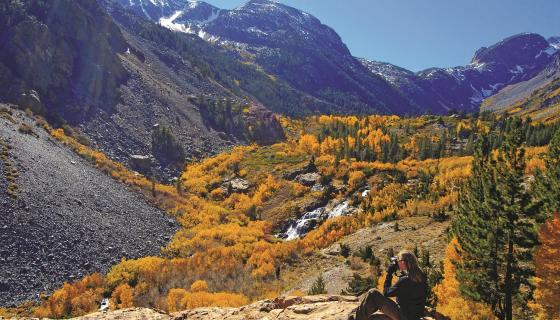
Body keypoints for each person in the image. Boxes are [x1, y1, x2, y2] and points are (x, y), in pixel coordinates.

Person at [348, 250, 427, 320]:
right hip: (415, 315)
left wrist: (390, 273)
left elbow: (386, 292)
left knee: (373, 293)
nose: (397, 263)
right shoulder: (421, 275)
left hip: (403, 316)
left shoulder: (405, 280)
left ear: (403, 262)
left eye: (398, 260)